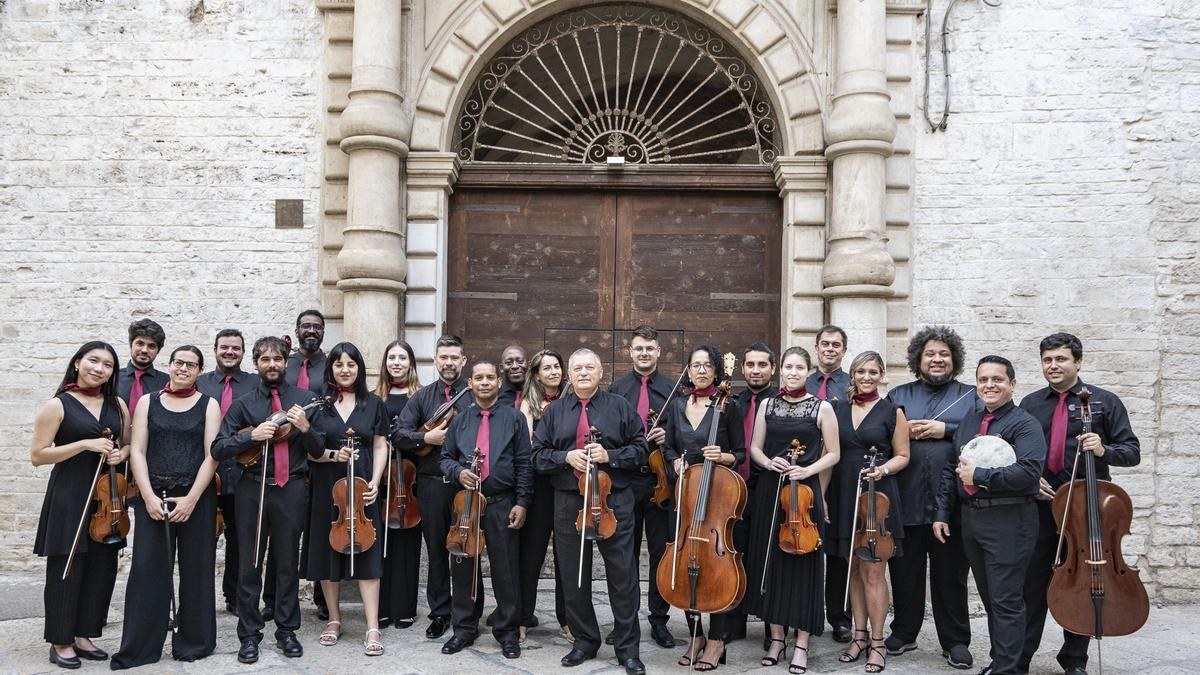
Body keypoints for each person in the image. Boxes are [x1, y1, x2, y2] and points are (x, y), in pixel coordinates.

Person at [1017, 333, 1141, 675]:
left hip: (1086, 509)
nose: (1053, 366)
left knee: (1084, 578)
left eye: (1061, 359)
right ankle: (1019, 658)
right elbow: (1014, 452)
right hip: (1041, 505)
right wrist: (1029, 479)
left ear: (1078, 362)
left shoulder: (1104, 401)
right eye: (1047, 360)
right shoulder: (1030, 404)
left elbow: (1132, 452)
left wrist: (1103, 450)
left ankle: (1074, 659)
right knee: (1032, 584)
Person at [532, 348, 647, 675]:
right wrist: (565, 457)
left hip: (615, 500)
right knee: (572, 574)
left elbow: (641, 450)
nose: (583, 372)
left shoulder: (619, 407)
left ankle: (627, 649)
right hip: (570, 499)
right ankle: (585, 640)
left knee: (623, 575)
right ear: (569, 374)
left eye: (589, 367)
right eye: (577, 368)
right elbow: (537, 455)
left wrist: (610, 456)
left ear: (600, 373)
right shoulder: (555, 413)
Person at [211, 336, 323, 664]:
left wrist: (304, 428)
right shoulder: (243, 404)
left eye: (278, 359)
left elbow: (317, 450)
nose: (272, 365)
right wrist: (250, 435)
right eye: (265, 359)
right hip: (253, 487)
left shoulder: (305, 400)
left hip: (292, 489)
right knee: (250, 563)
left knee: (287, 564)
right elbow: (219, 447)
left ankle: (287, 630)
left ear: (286, 362)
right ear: (256, 364)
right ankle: (249, 635)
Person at [934, 356, 1047, 675]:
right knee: (990, 596)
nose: (989, 385)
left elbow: (1028, 473)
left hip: (1009, 521)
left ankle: (1008, 669)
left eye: (997, 379)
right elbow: (951, 469)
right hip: (972, 520)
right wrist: (942, 512)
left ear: (1012, 384)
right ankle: (1002, 661)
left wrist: (980, 475)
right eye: (983, 380)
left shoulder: (1025, 424)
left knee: (1006, 599)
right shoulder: (970, 421)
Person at [112, 345, 221, 669]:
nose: (183, 369)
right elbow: (138, 452)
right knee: (148, 570)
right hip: (153, 494)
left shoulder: (209, 404)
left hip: (195, 498)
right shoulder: (148, 402)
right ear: (169, 366)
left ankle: (194, 642)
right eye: (178, 363)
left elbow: (211, 455)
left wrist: (191, 499)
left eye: (191, 365)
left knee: (197, 570)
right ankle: (142, 646)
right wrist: (146, 496)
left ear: (200, 371)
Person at [31, 341, 130, 669]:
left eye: (108, 365)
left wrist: (120, 454)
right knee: (67, 567)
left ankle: (85, 633)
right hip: (70, 493)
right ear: (77, 363)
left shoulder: (117, 404)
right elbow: (38, 455)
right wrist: (84, 443)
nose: (99, 368)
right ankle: (61, 639)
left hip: (107, 496)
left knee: (101, 567)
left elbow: (128, 445)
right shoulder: (58, 405)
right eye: (93, 360)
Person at [745, 347, 840, 675]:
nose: (793, 372)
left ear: (808, 371)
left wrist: (808, 469)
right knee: (769, 565)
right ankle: (776, 638)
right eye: (788, 367)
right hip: (773, 491)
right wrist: (769, 461)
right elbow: (755, 448)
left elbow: (834, 453)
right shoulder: (767, 404)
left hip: (804, 493)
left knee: (803, 566)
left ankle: (801, 642)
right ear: (780, 370)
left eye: (799, 367)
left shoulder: (822, 407)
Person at [884, 327, 975, 669]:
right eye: (930, 355)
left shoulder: (971, 395)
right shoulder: (899, 394)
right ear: (917, 360)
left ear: (954, 359)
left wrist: (945, 430)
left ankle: (955, 640)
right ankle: (904, 632)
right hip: (905, 499)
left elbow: (984, 434)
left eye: (943, 355)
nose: (937, 360)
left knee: (950, 574)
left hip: (951, 504)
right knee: (904, 572)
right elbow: (881, 436)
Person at [439, 359, 532, 659]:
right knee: (463, 567)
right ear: (470, 384)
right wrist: (457, 472)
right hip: (466, 505)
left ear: (499, 382)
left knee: (506, 570)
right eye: (478, 378)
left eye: (490, 377)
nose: (484, 382)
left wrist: (522, 502)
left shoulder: (514, 418)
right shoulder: (460, 420)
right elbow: (445, 457)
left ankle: (507, 632)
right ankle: (464, 628)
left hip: (501, 503)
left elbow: (523, 464)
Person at [659, 343, 745, 671]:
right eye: (695, 365)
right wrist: (675, 464)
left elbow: (740, 452)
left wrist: (722, 457)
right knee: (683, 565)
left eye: (707, 365)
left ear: (716, 370)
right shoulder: (679, 405)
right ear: (688, 370)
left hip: (717, 500)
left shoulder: (729, 406)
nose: (701, 370)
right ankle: (695, 633)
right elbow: (667, 446)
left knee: (717, 569)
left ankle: (718, 639)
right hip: (685, 499)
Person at [303, 342, 389, 656]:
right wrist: (330, 455)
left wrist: (376, 482)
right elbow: (311, 450)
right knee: (329, 552)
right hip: (329, 487)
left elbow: (380, 445)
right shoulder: (319, 405)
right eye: (339, 364)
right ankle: (335, 620)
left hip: (363, 482)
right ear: (331, 369)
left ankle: (372, 626)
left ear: (359, 368)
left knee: (367, 552)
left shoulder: (373, 402)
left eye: (351, 364)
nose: (345, 369)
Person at [829, 351, 910, 674]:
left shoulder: (893, 411)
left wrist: (884, 471)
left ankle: (878, 640)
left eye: (873, 372)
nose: (866, 377)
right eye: (861, 371)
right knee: (852, 568)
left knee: (874, 571)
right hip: (844, 493)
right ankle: (858, 635)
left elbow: (903, 455)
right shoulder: (837, 408)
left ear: (881, 375)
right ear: (852, 375)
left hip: (878, 499)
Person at [391, 334, 471, 639]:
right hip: (432, 485)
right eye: (443, 357)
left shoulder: (474, 393)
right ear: (435, 360)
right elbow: (399, 434)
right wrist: (427, 439)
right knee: (437, 551)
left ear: (463, 361)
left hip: (465, 485)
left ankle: (466, 611)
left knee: (464, 549)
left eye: (454, 357)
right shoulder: (422, 397)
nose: (449, 363)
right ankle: (440, 612)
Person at [607, 325, 677, 649]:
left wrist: (667, 437)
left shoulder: (675, 389)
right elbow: (609, 434)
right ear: (630, 352)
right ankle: (626, 619)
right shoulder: (616, 389)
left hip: (660, 480)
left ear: (658, 351)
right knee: (626, 555)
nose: (644, 353)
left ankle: (659, 620)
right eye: (639, 348)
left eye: (650, 348)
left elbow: (685, 434)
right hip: (626, 481)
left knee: (660, 553)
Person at [196, 328, 256, 614]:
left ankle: (234, 596)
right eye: (224, 347)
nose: (230, 352)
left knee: (239, 537)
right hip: (207, 471)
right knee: (202, 535)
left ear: (243, 352)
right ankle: (200, 596)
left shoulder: (255, 384)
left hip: (243, 470)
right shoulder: (200, 383)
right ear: (215, 349)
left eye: (235, 348)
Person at [515, 349, 570, 643]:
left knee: (567, 558)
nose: (554, 372)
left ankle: (567, 619)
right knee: (532, 556)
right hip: (539, 486)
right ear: (536, 374)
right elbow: (529, 447)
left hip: (565, 484)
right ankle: (523, 619)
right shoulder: (528, 404)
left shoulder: (571, 399)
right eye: (547, 368)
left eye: (557, 366)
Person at [728, 343, 778, 644]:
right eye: (750, 364)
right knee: (734, 553)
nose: (756, 370)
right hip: (735, 490)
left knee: (769, 555)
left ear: (772, 369)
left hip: (768, 486)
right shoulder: (734, 403)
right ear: (742, 369)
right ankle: (733, 623)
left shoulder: (782, 404)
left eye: (762, 364)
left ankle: (773, 627)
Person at [806, 324, 852, 643]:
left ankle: (839, 616)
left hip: (842, 473)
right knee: (803, 546)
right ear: (817, 347)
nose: (830, 349)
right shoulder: (803, 381)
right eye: (825, 344)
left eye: (837, 344)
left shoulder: (853, 384)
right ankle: (806, 614)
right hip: (807, 474)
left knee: (837, 550)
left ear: (844, 350)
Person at [284, 309, 330, 620]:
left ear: (323, 331)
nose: (311, 330)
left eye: (316, 326)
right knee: (284, 529)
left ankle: (322, 597)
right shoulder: (283, 363)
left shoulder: (330, 366)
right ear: (297, 330)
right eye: (306, 326)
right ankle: (276, 597)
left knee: (321, 525)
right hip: (286, 451)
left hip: (319, 449)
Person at [374, 339, 422, 631]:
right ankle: (381, 608)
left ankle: (405, 607)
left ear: (411, 363)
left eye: (402, 358)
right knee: (382, 545)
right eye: (391, 357)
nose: (396, 363)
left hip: (409, 479)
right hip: (382, 479)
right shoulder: (375, 397)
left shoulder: (420, 396)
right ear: (385, 363)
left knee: (408, 545)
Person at [117, 318, 169, 416]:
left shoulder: (168, 383)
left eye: (151, 346)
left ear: (158, 350)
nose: (145, 350)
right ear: (130, 344)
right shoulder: (112, 378)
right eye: (140, 343)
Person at [497, 344, 527, 409]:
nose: (515, 366)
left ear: (529, 365)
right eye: (508, 363)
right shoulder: (494, 395)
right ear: (501, 368)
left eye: (520, 362)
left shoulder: (538, 393)